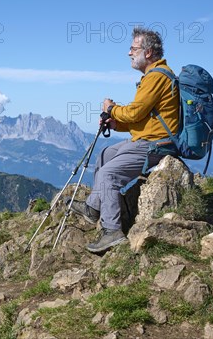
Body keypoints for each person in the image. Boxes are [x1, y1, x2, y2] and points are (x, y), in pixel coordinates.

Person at [71, 27, 180, 253]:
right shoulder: (152, 76)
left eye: (133, 48)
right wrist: (116, 124)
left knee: (108, 174)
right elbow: (141, 118)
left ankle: (112, 231)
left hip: (156, 145)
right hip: (146, 138)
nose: (129, 53)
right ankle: (93, 209)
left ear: (148, 52)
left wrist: (111, 109)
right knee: (105, 155)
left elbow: (133, 113)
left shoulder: (157, 77)